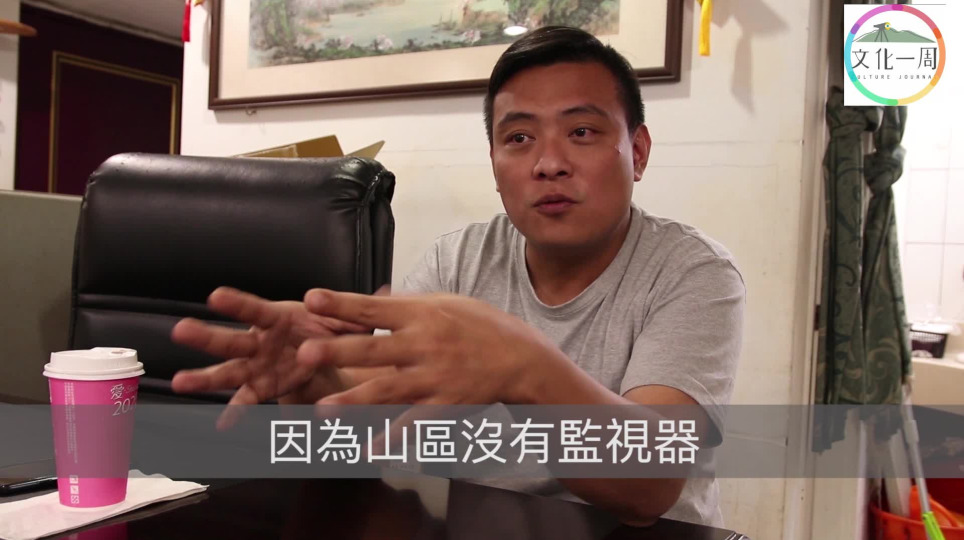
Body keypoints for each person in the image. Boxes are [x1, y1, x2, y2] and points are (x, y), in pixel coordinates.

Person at [170, 26, 745, 528]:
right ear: (494, 163)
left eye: (582, 132)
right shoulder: (456, 262)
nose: (548, 163)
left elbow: (649, 485)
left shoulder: (692, 271)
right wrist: (310, 379)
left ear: (637, 152)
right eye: (519, 138)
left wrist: (520, 366)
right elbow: (371, 431)